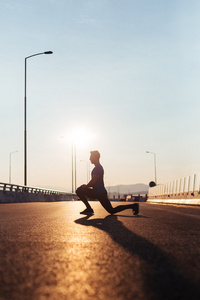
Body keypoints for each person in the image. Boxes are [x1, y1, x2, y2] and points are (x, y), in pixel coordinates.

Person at [76, 150, 139, 215]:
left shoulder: (98, 168)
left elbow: (93, 182)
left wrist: (85, 186)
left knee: (111, 210)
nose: (89, 159)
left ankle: (133, 206)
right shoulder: (98, 167)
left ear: (95, 157)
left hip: (100, 193)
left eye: (91, 157)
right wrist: (85, 186)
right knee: (79, 190)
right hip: (97, 192)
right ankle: (89, 209)